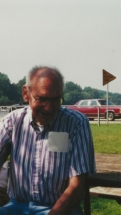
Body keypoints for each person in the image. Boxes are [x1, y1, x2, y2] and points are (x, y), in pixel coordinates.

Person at [0, 66, 96, 215]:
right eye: (41, 99)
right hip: (17, 207)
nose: (49, 108)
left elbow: (77, 185)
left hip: (60, 209)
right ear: (26, 94)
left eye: (55, 100)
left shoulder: (76, 123)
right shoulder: (12, 122)